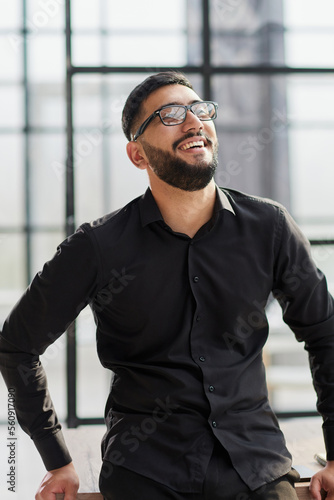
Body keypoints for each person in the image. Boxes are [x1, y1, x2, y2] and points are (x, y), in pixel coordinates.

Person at [1, 71, 334, 500]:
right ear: (137, 154)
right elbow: (17, 346)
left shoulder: (270, 228)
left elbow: (325, 336)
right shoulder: (98, 247)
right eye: (171, 115)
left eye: (200, 110)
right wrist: (56, 459)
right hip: (146, 474)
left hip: (257, 472)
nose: (194, 122)